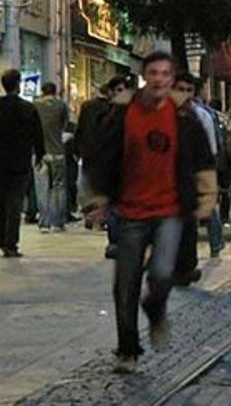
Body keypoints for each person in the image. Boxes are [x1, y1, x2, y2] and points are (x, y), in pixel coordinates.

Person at [83, 51, 217, 373]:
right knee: (125, 283)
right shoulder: (122, 113)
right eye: (153, 73)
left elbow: (202, 161)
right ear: (145, 77)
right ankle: (127, 350)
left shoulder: (185, 118)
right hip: (130, 210)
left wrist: (206, 199)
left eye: (164, 74)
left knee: (161, 275)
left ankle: (155, 310)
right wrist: (98, 201)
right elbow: (101, 155)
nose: (158, 79)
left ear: (172, 80)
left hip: (169, 210)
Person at [171, 73, 223, 281]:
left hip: (189, 178)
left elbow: (209, 151)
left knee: (187, 225)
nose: (184, 94)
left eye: (188, 90)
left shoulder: (201, 117)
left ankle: (185, 267)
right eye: (180, 89)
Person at [76, 76, 129, 258]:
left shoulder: (132, 112)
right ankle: (114, 241)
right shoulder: (102, 111)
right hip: (106, 165)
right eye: (117, 90)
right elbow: (86, 133)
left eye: (123, 90)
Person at [0, 69, 44, 258]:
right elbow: (38, 135)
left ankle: (2, 239)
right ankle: (10, 244)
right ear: (18, 84)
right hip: (19, 163)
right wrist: (40, 155)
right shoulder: (28, 108)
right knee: (14, 204)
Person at [33, 82, 70, 232]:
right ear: (56, 92)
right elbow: (64, 125)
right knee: (59, 187)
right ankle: (58, 222)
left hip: (40, 152)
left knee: (42, 188)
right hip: (58, 151)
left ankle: (44, 222)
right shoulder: (61, 105)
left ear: (42, 91)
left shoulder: (34, 105)